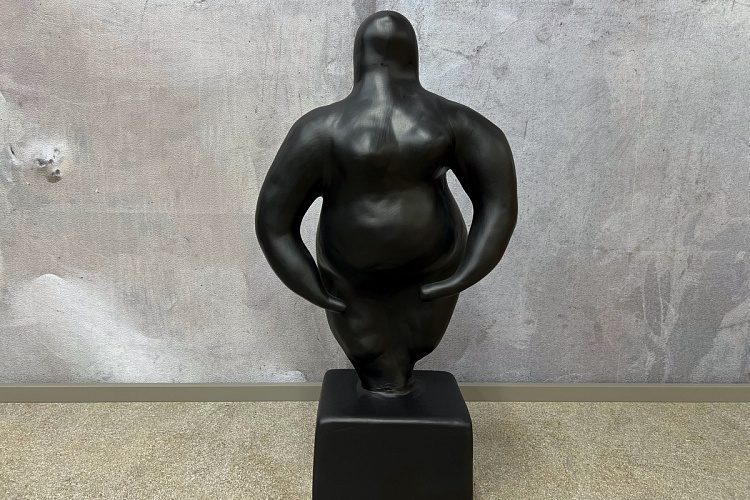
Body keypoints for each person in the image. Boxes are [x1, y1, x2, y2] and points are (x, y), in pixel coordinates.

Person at [256, 11, 517, 393]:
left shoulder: (319, 128)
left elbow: (273, 222)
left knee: (393, 350)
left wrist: (313, 286)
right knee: (377, 358)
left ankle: (390, 384)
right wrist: (466, 272)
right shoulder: (453, 121)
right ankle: (386, 385)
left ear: (358, 59)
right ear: (412, 56)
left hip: (397, 272)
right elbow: (499, 202)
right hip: (388, 274)